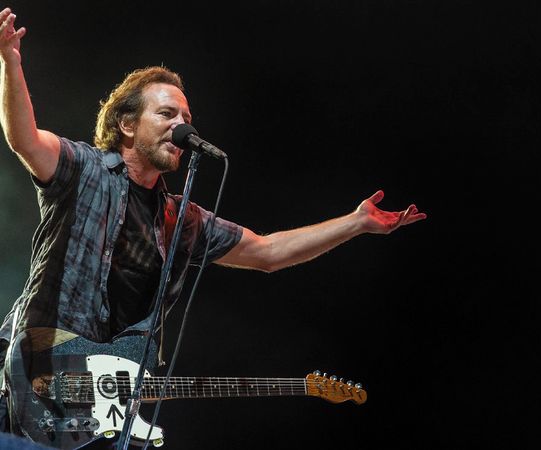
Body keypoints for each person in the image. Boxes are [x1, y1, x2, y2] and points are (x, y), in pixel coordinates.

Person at [0, 6, 427, 448]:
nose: (181, 126)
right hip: (37, 377)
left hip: (101, 413)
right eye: (167, 114)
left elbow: (267, 252)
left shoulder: (181, 219)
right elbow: (24, 138)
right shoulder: (83, 169)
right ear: (126, 124)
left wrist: (355, 223)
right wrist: (10, 62)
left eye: (186, 118)